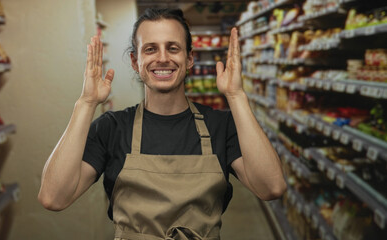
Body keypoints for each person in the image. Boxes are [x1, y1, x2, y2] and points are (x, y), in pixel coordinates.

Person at [38, 8, 286, 240]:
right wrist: (86, 102)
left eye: (173, 48)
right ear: (135, 62)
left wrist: (236, 96)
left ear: (189, 59)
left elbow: (271, 187)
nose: (163, 58)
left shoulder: (221, 125)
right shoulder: (112, 127)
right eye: (150, 49)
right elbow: (53, 197)